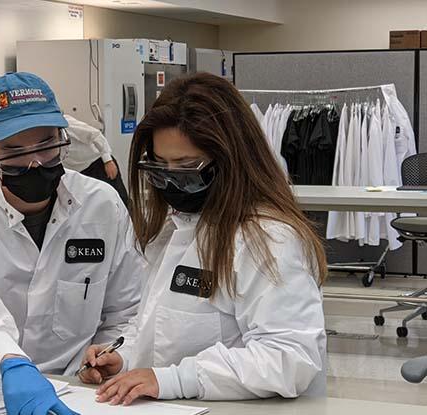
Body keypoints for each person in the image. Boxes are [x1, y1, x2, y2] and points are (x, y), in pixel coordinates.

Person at [79, 72, 328, 405]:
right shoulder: (174, 226)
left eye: (186, 165)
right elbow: (159, 324)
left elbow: (289, 358)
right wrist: (122, 358)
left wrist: (174, 378)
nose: (172, 180)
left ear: (230, 159)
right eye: (161, 166)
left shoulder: (268, 238)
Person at [0, 72, 144, 415]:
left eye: (47, 145)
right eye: (14, 151)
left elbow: (127, 309)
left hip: (69, 387)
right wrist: (12, 363)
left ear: (63, 133)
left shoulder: (102, 205)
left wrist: (113, 352)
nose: (35, 163)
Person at [62, 114, 129, 206]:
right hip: (80, 172)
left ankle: (131, 218)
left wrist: (108, 161)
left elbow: (95, 135)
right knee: (96, 205)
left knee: (119, 200)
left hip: (98, 164)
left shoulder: (65, 123)